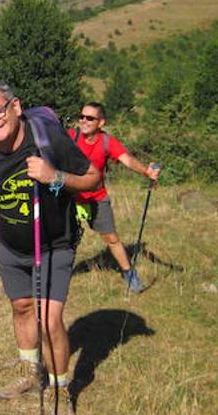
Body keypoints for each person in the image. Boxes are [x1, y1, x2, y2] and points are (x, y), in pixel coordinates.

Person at [0, 81, 100, 415]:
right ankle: (33, 374)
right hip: (12, 247)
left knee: (48, 321)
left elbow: (93, 177)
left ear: (15, 106)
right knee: (22, 308)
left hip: (55, 243)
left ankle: (62, 395)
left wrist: (54, 176)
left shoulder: (47, 139)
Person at [69, 102, 161, 293]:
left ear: (101, 122)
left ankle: (129, 274)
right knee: (64, 239)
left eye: (90, 118)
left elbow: (126, 159)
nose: (84, 121)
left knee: (111, 238)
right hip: (70, 197)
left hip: (96, 197)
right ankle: (60, 274)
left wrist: (146, 172)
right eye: (82, 117)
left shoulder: (107, 142)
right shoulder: (71, 136)